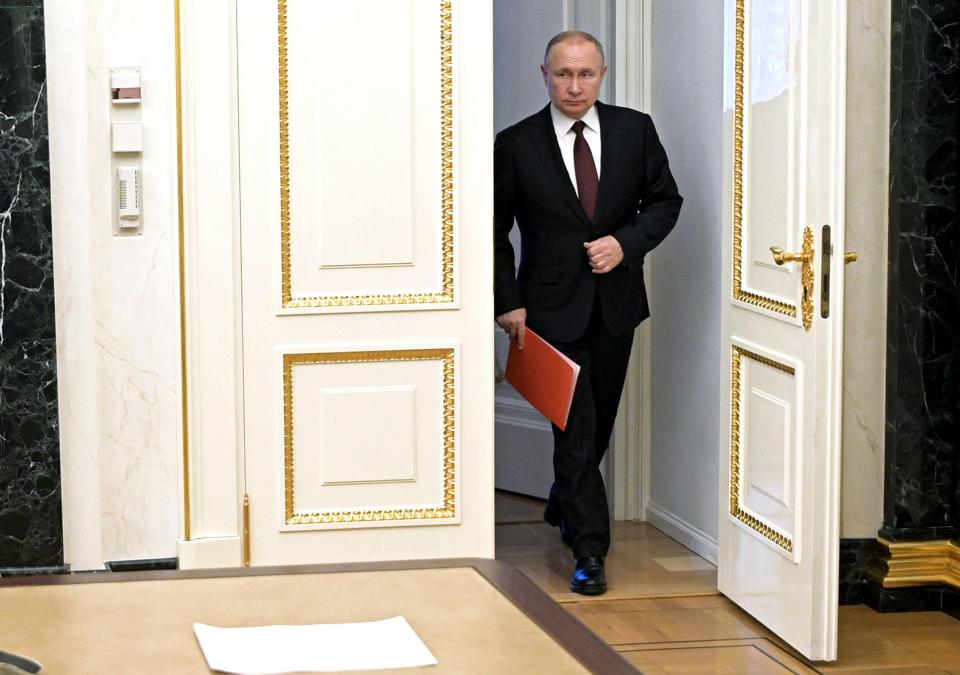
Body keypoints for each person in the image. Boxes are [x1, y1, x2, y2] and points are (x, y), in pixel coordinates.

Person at [494, 31, 682, 595]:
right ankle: (590, 551)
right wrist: (508, 301)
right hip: (548, 312)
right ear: (544, 74)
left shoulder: (635, 130)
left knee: (596, 424)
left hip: (616, 306)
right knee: (573, 431)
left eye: (585, 74)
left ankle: (562, 502)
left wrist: (626, 243)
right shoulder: (516, 143)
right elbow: (493, 232)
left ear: (602, 74)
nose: (574, 86)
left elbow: (666, 202)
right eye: (563, 74)